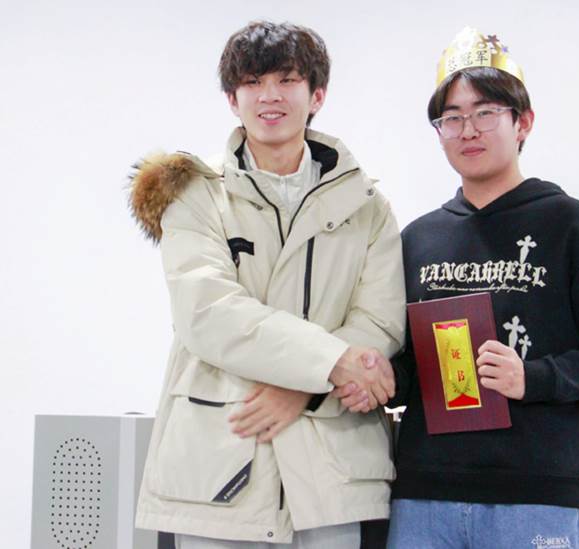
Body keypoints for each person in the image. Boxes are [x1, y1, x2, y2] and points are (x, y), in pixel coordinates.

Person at [339, 27, 579, 549]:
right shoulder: (417, 239)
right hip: (424, 496)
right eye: (452, 118)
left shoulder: (576, 228)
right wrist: (381, 379)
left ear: (522, 121)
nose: (468, 130)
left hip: (538, 497)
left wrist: (532, 377)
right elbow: (414, 363)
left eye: (485, 113)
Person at [128, 20, 404, 549]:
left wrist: (301, 386)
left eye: (287, 80)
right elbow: (208, 313)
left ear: (317, 95)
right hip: (221, 466)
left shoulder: (367, 205)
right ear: (232, 99)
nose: (269, 96)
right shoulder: (195, 195)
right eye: (253, 82)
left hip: (331, 474)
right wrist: (331, 363)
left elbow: (380, 320)